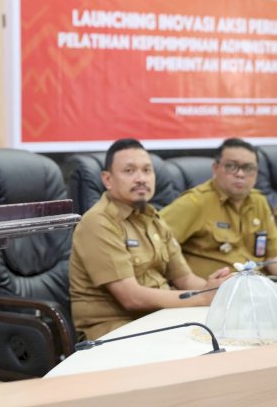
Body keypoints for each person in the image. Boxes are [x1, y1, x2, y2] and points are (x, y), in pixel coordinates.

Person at [69, 138, 230, 341]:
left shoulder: (153, 218)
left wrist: (216, 289)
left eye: (147, 170)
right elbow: (131, 297)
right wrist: (201, 298)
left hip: (159, 319)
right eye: (129, 171)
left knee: (227, 334)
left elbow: (185, 279)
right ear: (107, 179)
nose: (141, 178)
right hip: (114, 330)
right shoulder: (98, 222)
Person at [160, 138, 277, 279]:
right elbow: (156, 245)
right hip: (212, 292)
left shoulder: (259, 201)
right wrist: (184, 281)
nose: (240, 174)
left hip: (256, 287)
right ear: (215, 168)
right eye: (231, 166)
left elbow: (274, 258)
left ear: (256, 173)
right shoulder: (195, 203)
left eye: (248, 168)